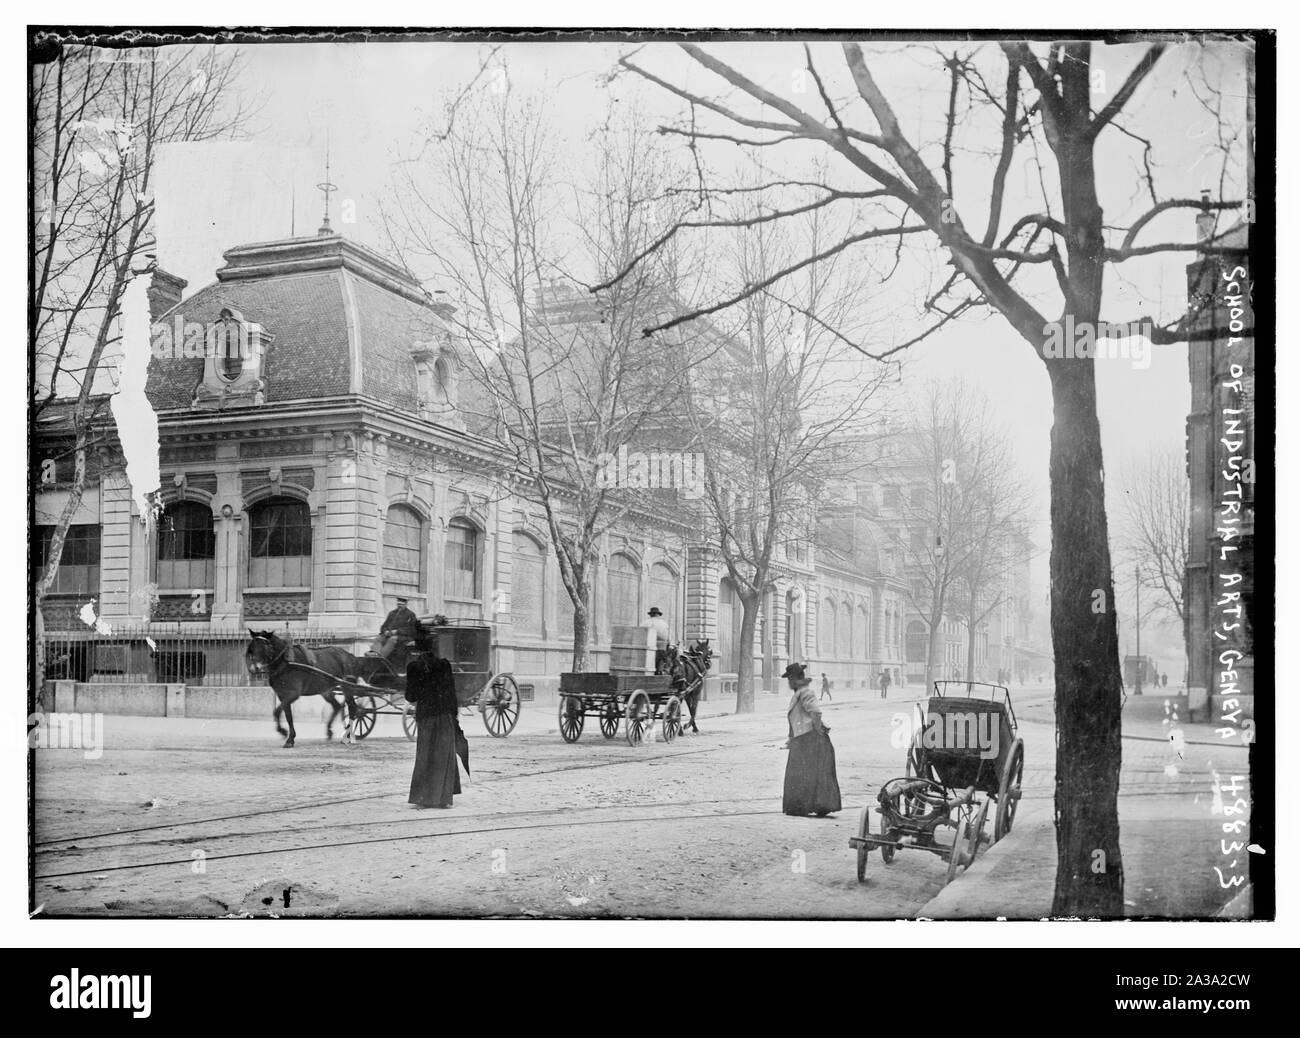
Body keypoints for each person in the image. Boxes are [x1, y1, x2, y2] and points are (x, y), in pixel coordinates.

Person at [406, 627, 466, 809]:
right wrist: (454, 716)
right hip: (444, 716)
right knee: (443, 757)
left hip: (426, 717)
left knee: (425, 756)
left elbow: (410, 696)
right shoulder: (444, 665)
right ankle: (444, 799)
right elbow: (451, 693)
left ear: (416, 648)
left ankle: (423, 798)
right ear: (434, 648)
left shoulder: (413, 667)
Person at [782, 662, 841, 817]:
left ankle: (817, 805)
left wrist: (817, 730)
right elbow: (794, 719)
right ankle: (801, 806)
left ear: (795, 679)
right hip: (801, 739)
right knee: (802, 773)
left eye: (790, 679)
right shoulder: (798, 694)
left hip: (810, 739)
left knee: (810, 773)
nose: (788, 682)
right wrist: (791, 738)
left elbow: (816, 713)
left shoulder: (806, 693)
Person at [648, 606, 672, 674]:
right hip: (660, 650)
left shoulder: (644, 623)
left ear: (650, 615)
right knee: (664, 659)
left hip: (645, 649)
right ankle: (660, 672)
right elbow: (668, 639)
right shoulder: (663, 624)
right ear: (658, 615)